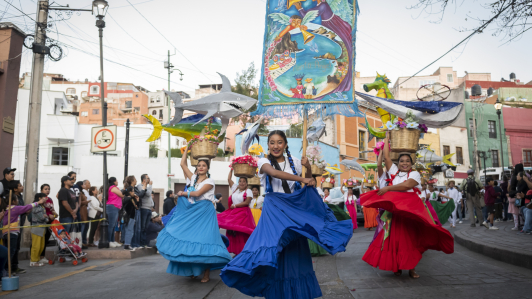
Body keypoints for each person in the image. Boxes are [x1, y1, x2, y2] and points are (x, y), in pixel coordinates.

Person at [220, 130, 352, 299]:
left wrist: (308, 169)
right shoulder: (263, 161)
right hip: (273, 210)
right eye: (272, 142)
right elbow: (274, 173)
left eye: (280, 142)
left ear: (285, 144)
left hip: (292, 209)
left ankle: (294, 293)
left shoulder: (295, 162)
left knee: (294, 249)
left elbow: (310, 182)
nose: (276, 146)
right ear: (268, 145)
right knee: (273, 248)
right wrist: (302, 179)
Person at [361, 136, 454, 279]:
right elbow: (386, 157)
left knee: (410, 241)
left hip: (410, 213)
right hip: (396, 214)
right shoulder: (394, 172)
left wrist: (389, 188)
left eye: (407, 161)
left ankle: (411, 268)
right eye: (402, 161)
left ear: (412, 163)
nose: (405, 163)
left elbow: (407, 186)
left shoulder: (415, 174)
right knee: (395, 241)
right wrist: (387, 137)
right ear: (398, 163)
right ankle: (396, 266)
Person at [157, 147, 232, 283]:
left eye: (203, 165)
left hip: (205, 212)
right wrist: (187, 149)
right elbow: (182, 164)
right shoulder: (192, 179)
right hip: (193, 211)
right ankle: (192, 270)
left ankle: (206, 273)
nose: (201, 167)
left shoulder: (210, 181)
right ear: (197, 167)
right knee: (190, 239)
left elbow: (197, 194)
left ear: (207, 168)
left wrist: (182, 193)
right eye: (199, 165)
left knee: (206, 241)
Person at [2, 192, 46, 273]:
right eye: (17, 199)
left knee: (9, 252)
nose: (18, 200)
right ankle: (6, 271)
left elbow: (25, 210)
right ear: (13, 201)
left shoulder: (7, 208)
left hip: (6, 233)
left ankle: (8, 269)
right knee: (10, 253)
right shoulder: (14, 208)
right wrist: (37, 203)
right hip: (12, 233)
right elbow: (27, 207)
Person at [217, 169, 255, 255]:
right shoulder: (235, 189)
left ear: (246, 184)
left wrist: (235, 206)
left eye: (244, 181)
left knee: (239, 233)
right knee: (225, 225)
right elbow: (229, 179)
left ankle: (241, 253)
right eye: (240, 181)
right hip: (233, 213)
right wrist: (231, 168)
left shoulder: (248, 191)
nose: (241, 183)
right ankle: (233, 252)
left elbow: (247, 202)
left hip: (242, 215)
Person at [30, 193, 49, 267]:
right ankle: (33, 261)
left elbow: (45, 217)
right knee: (36, 246)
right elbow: (42, 217)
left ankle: (37, 260)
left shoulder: (42, 206)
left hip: (42, 228)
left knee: (41, 246)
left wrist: (45, 217)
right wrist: (45, 217)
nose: (46, 199)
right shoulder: (36, 206)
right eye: (44, 198)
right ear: (39, 198)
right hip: (37, 228)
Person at [39, 184, 57, 263]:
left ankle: (43, 256)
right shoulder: (39, 199)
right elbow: (39, 210)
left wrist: (54, 214)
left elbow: (52, 209)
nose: (47, 190)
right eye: (45, 189)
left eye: (48, 189)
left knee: (46, 240)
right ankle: (37, 257)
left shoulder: (50, 199)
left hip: (50, 222)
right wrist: (48, 215)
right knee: (40, 240)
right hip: (42, 222)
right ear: (41, 190)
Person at [136, 174, 153, 248]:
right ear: (144, 180)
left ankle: (144, 243)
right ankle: (141, 243)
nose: (149, 179)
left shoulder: (146, 187)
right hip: (144, 208)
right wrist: (150, 186)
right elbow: (148, 194)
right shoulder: (140, 186)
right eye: (148, 178)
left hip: (148, 209)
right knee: (142, 227)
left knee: (146, 227)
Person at [107, 177, 124, 248]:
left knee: (114, 225)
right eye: (116, 180)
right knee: (111, 224)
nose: (117, 182)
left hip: (116, 207)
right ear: (114, 181)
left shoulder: (114, 188)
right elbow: (122, 195)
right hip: (112, 206)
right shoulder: (113, 187)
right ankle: (109, 241)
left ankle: (112, 240)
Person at [121, 185, 140, 251]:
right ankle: (127, 244)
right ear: (130, 192)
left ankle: (126, 244)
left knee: (127, 230)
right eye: (133, 191)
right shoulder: (130, 199)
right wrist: (137, 200)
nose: (134, 193)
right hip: (130, 217)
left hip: (126, 217)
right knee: (130, 231)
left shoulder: (125, 198)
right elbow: (136, 207)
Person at [79, 180, 91, 249]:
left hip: (87, 211)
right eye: (88, 183)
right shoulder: (81, 193)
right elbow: (80, 202)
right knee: (83, 227)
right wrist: (86, 202)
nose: (90, 184)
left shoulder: (85, 192)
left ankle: (84, 241)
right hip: (83, 211)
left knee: (86, 227)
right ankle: (82, 242)